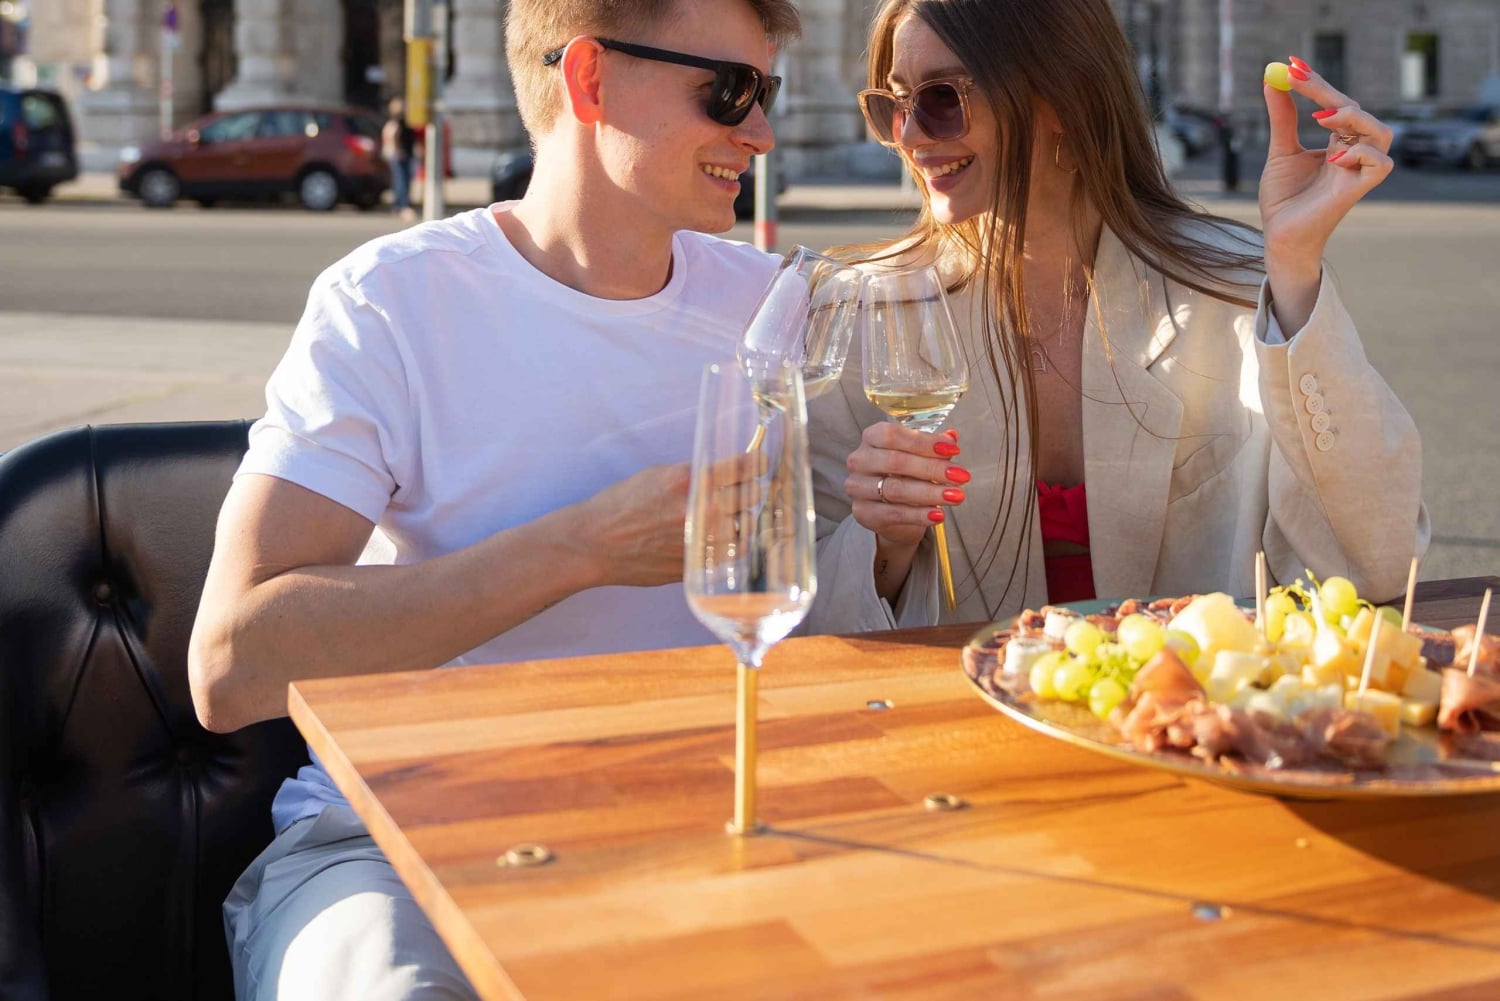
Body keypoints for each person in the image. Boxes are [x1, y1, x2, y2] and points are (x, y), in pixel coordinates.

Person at [187, 0, 799, 995]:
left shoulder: (777, 307)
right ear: (589, 78)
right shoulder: (391, 299)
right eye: (728, 92)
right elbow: (230, 662)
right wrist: (583, 547)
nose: (760, 132)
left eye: (766, 92)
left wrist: (891, 527)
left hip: (700, 825)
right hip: (396, 839)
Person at [805, 0, 1428, 633]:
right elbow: (802, 618)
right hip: (961, 696)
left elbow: (1376, 565)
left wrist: (1293, 264)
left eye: (942, 99)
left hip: (1183, 693)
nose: (909, 136)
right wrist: (884, 541)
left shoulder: (1235, 290)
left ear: (1061, 97)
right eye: (891, 106)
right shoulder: (861, 312)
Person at [381, 97, 420, 221]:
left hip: (400, 154)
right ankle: (403, 206)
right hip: (401, 155)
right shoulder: (400, 121)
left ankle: (397, 206)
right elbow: (393, 135)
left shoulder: (399, 120)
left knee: (399, 180)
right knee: (402, 181)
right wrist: (398, 149)